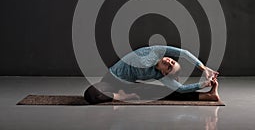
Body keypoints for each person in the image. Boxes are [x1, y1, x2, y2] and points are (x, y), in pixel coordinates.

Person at [84, 45, 220, 104]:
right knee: (91, 94)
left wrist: (203, 84)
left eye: (169, 67)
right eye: (172, 61)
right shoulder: (155, 52)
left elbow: (180, 88)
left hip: (129, 86)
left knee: (169, 91)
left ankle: (208, 96)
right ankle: (120, 96)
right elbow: (184, 53)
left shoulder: (158, 74)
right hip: (111, 80)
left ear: (164, 73)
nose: (169, 62)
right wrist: (204, 69)